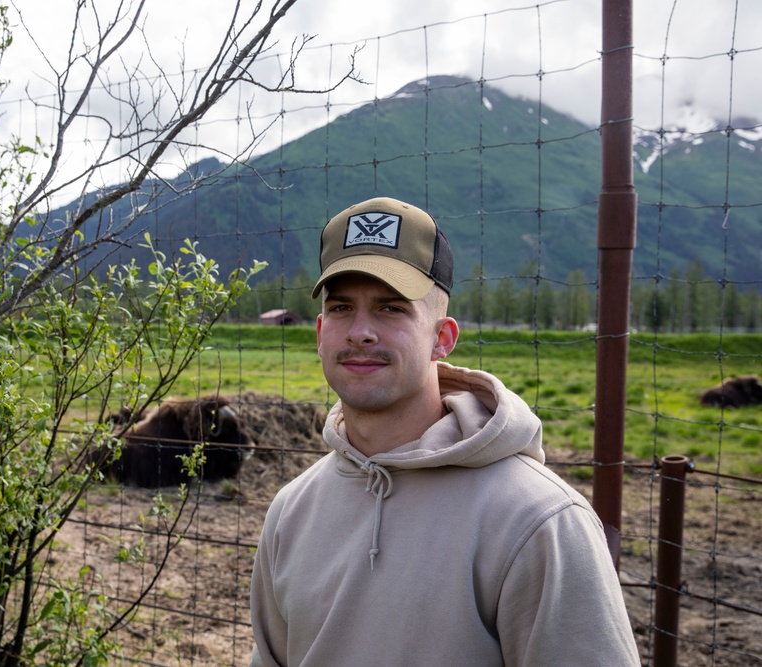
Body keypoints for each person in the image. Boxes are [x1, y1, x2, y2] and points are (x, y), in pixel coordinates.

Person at [248, 197, 640, 666]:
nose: (360, 332)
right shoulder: (292, 511)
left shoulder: (538, 521)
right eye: (341, 308)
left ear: (443, 337)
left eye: (391, 308)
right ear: (318, 332)